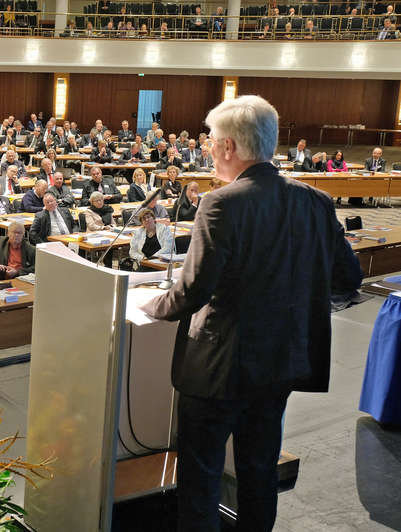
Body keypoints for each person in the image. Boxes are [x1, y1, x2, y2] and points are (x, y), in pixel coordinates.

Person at [139, 95, 363, 531]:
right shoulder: (316, 202)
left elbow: (192, 291)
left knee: (201, 478)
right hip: (281, 362)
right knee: (259, 473)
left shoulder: (222, 203)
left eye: (210, 142)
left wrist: (151, 303)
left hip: (219, 369)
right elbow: (347, 277)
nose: (207, 150)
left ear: (229, 148)